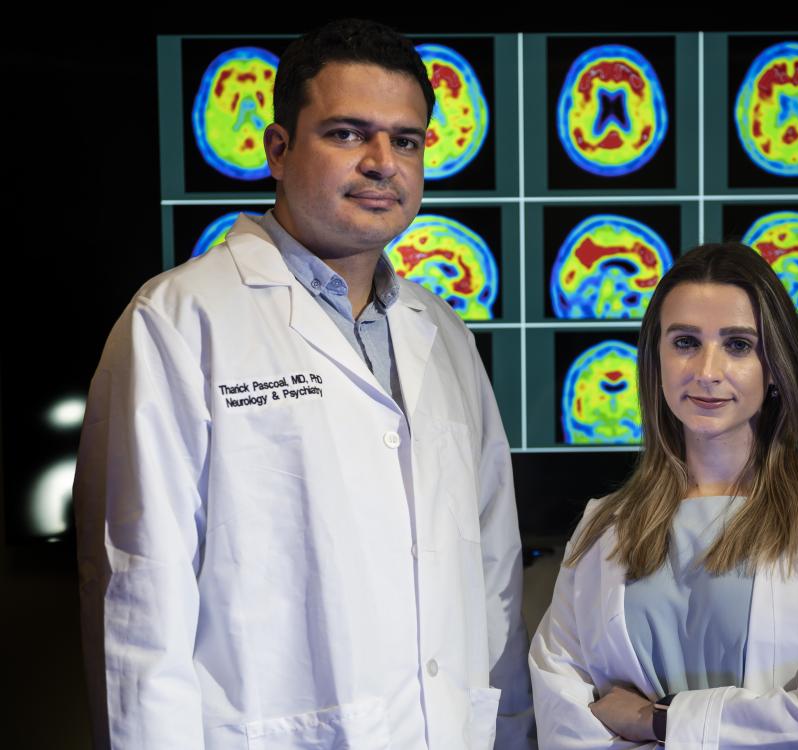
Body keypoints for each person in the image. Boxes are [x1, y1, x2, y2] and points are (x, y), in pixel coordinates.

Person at [75, 19, 533, 750]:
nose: (384, 163)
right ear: (278, 150)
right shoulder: (178, 323)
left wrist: (508, 730)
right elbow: (138, 601)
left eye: (406, 140)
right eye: (349, 134)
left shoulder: (442, 333)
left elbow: (492, 570)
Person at [529, 243, 798, 749]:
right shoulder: (603, 527)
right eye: (685, 342)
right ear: (655, 358)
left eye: (738, 345)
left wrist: (658, 721)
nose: (707, 371)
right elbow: (563, 719)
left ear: (775, 367)